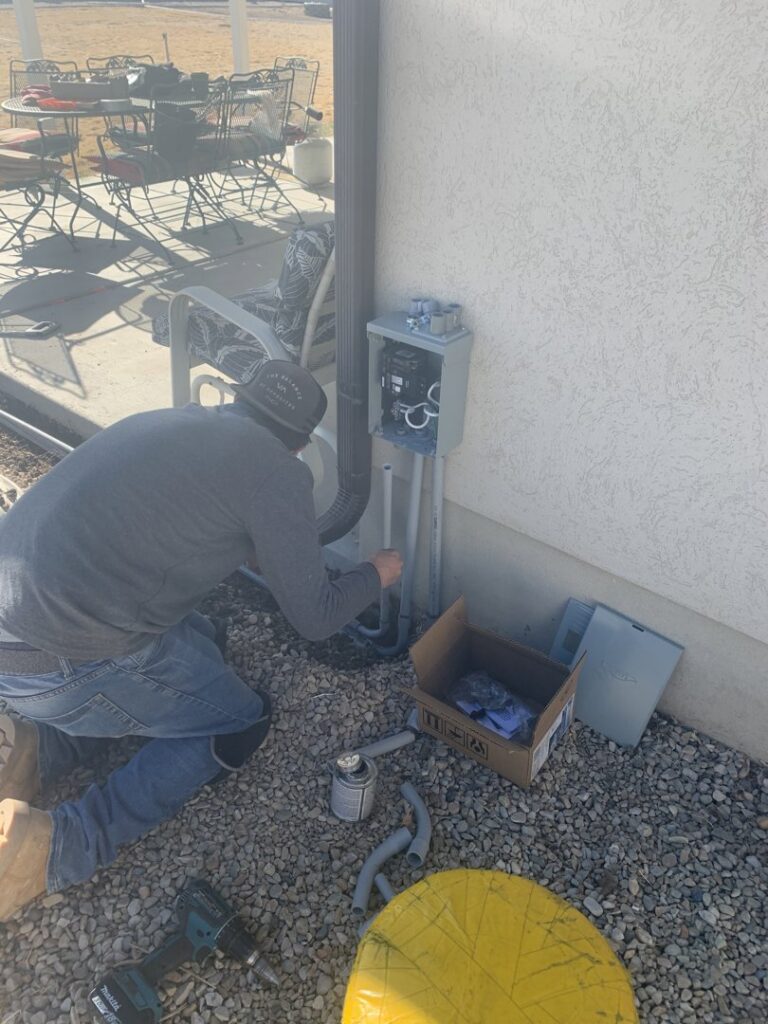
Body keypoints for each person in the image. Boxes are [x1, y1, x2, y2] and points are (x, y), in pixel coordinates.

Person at [0, 361, 402, 921]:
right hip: (65, 664)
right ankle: (58, 845)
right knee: (240, 721)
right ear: (302, 444)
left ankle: (32, 750)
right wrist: (377, 574)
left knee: (205, 636)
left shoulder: (171, 421)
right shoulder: (276, 472)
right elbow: (316, 617)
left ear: (237, 398)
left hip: (15, 631)